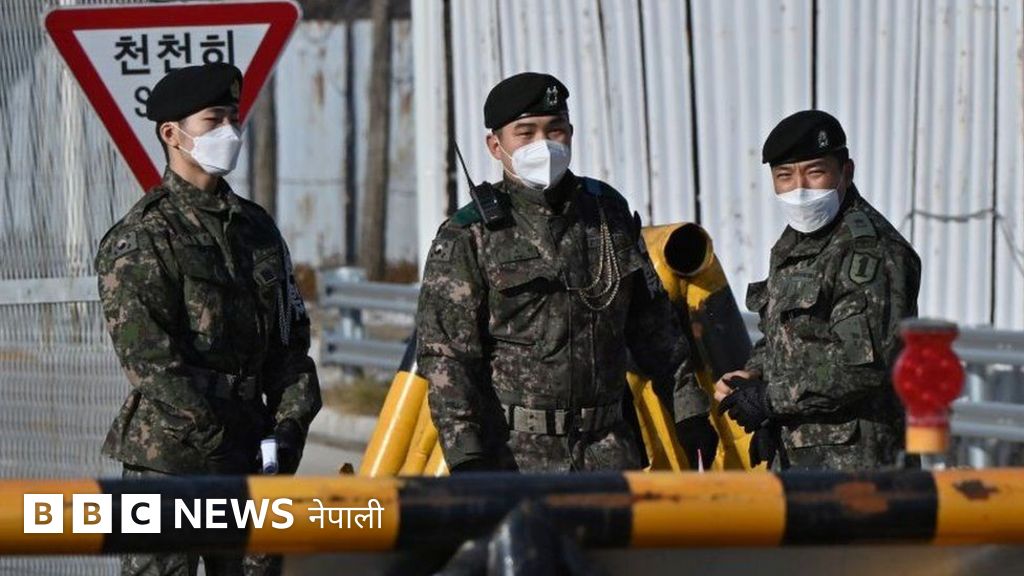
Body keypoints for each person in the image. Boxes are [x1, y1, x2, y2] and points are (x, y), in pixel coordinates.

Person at [417, 72, 717, 473]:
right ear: (495, 146)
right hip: (516, 457)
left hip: (609, 450)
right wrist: (466, 455)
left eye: (554, 129)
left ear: (571, 134)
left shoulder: (606, 213)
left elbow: (654, 324)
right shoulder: (469, 234)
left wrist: (688, 412)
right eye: (525, 133)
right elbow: (447, 358)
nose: (543, 144)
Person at [95, 63, 321, 575]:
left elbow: (290, 343)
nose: (229, 132)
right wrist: (217, 440)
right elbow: (151, 362)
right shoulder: (143, 237)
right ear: (172, 134)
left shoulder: (256, 228)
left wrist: (289, 426)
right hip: (169, 461)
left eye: (233, 118)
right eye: (213, 120)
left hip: (253, 458)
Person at [715, 110, 921, 471]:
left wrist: (770, 399)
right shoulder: (795, 242)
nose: (800, 189)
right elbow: (787, 333)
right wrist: (753, 375)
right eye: (785, 176)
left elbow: (864, 365)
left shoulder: (870, 250)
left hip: (859, 468)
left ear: (846, 172)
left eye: (815, 172)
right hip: (800, 460)